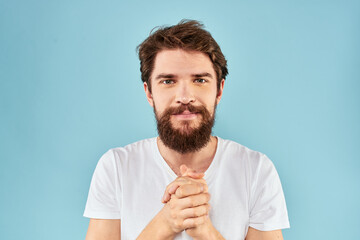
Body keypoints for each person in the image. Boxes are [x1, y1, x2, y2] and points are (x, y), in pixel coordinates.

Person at [83, 20, 290, 240]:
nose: (184, 97)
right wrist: (163, 224)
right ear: (149, 93)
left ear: (219, 90)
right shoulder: (115, 167)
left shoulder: (256, 170)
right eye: (168, 81)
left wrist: (207, 233)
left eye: (200, 80)